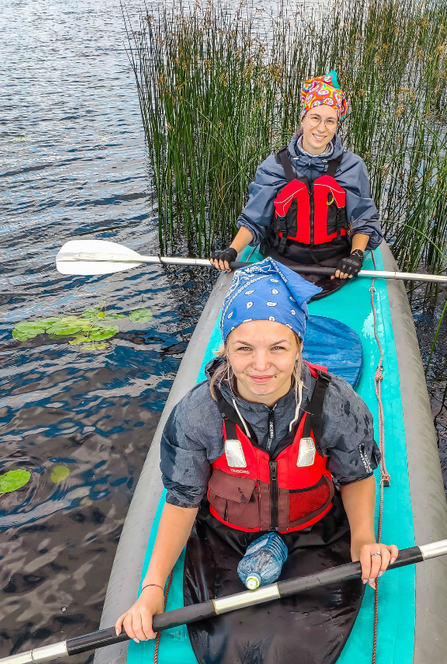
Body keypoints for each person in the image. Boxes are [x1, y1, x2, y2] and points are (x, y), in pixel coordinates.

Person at [115, 258, 397, 642]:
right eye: (244, 348)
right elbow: (182, 499)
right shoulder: (198, 414)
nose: (261, 366)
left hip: (313, 527)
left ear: (299, 346)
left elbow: (357, 474)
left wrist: (363, 540)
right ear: (226, 348)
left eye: (278, 348)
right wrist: (152, 589)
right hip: (227, 532)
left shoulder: (337, 404)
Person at [210, 71, 382, 293]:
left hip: (334, 264)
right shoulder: (274, 166)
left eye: (330, 121)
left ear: (337, 124)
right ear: (303, 119)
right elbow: (255, 219)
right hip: (281, 261)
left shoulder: (352, 166)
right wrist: (232, 251)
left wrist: (356, 255)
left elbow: (363, 218)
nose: (321, 128)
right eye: (315, 118)